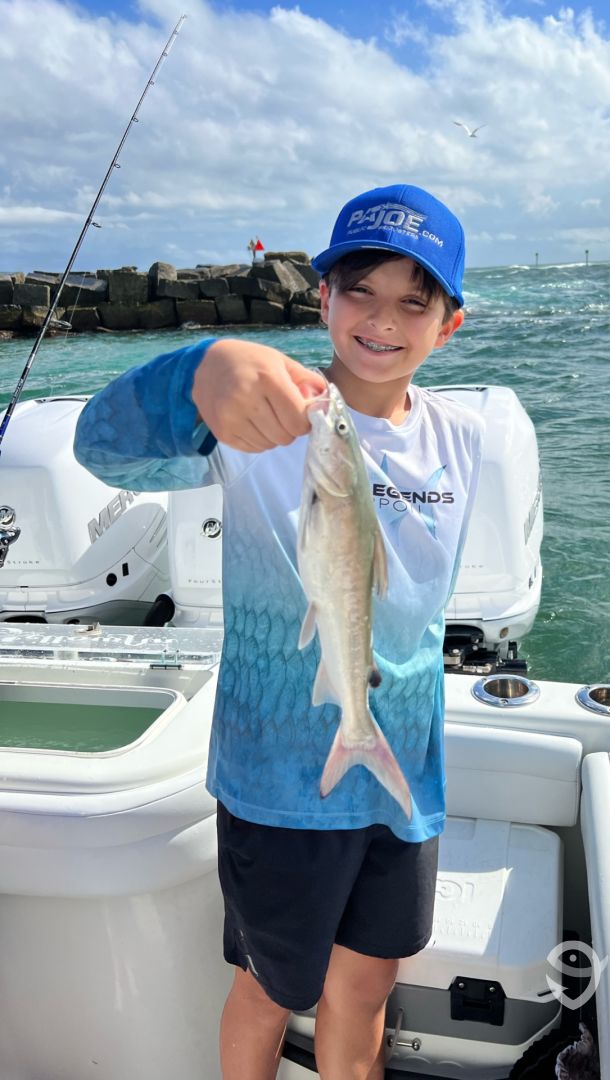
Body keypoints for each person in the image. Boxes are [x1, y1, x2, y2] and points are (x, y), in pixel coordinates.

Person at [73, 183, 483, 1080]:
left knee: (365, 988)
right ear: (322, 298)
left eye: (414, 301)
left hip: (402, 774)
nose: (383, 318)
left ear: (448, 326)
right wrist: (198, 370)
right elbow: (98, 448)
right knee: (268, 989)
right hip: (277, 783)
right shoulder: (257, 417)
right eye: (359, 290)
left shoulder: (463, 438)